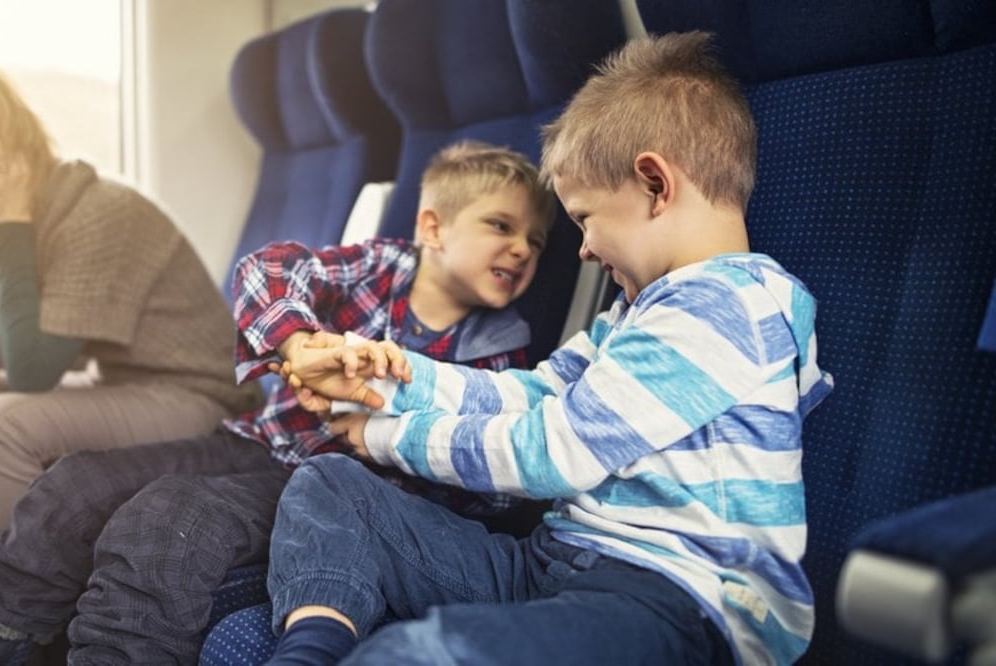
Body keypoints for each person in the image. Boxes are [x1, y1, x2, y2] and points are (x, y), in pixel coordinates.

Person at [229, 31, 835, 666]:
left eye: (584, 219)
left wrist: (380, 435)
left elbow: (555, 450)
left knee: (418, 655)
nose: (584, 249)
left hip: (674, 598)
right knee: (330, 485)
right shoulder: (633, 313)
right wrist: (381, 382)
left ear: (655, 185)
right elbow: (536, 392)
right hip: (554, 565)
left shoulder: (726, 307)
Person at [0, 139, 558, 665]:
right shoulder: (377, 268)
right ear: (433, 228)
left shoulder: (498, 353)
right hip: (257, 441)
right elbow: (267, 269)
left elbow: (490, 489)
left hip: (328, 487)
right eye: (501, 226)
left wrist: (383, 434)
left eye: (536, 241)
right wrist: (298, 343)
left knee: (168, 520)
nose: (523, 249)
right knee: (74, 486)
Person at [0, 62, 265, 666]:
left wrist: (8, 225)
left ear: (16, 136)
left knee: (1, 425)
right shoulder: (6, 226)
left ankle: (3, 642)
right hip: (120, 382)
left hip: (195, 394)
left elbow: (32, 371)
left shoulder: (99, 210)